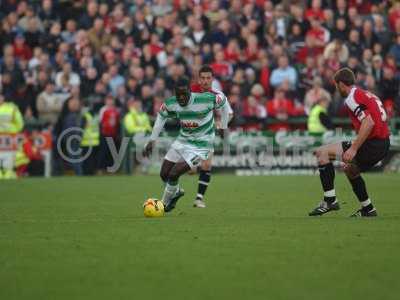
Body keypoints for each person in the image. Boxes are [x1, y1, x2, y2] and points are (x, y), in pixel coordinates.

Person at [309, 68, 390, 217]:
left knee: (322, 153)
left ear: (340, 84)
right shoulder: (366, 94)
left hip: (372, 143)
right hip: (382, 143)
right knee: (350, 170)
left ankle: (330, 200)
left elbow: (369, 122)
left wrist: (353, 148)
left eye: (336, 85)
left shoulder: (352, 98)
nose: (336, 88)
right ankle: (368, 209)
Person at [143, 77, 231, 212]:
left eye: (184, 94)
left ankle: (163, 204)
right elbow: (161, 116)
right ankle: (176, 191)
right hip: (182, 141)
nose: (181, 98)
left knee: (174, 173)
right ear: (174, 93)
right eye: (178, 95)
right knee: (164, 174)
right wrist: (152, 139)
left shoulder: (205, 99)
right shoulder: (171, 103)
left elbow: (224, 102)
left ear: (190, 91)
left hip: (202, 146)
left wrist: (224, 126)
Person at [190, 65, 233, 208]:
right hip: (189, 133)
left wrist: (221, 123)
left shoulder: (217, 95)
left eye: (208, 78)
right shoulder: (190, 92)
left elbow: (229, 113)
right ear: (198, 79)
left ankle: (199, 198)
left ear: (212, 79)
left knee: (207, 164)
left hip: (207, 134)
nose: (205, 81)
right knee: (190, 170)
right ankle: (173, 190)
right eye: (202, 78)